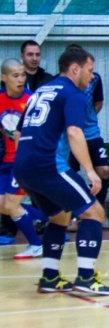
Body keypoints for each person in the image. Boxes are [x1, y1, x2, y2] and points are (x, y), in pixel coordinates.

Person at [13, 46, 109, 294]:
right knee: (94, 213)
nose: (92, 76)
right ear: (75, 68)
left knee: (59, 217)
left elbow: (18, 132)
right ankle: (86, 277)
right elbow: (74, 132)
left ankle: (49, 277)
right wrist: (90, 171)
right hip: (48, 164)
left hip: (23, 165)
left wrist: (27, 162)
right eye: (90, 70)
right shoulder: (74, 94)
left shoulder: (41, 91)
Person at [0, 59, 48, 258]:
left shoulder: (31, 100)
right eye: (15, 75)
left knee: (11, 205)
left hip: (24, 161)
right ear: (4, 78)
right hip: (5, 161)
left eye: (23, 75)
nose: (21, 79)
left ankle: (36, 245)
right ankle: (53, 216)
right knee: (3, 205)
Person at [64, 44, 109, 231]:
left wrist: (87, 117)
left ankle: (98, 211)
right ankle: (73, 214)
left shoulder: (94, 78)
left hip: (91, 132)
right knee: (70, 173)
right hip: (69, 135)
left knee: (104, 170)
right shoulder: (62, 83)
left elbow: (98, 102)